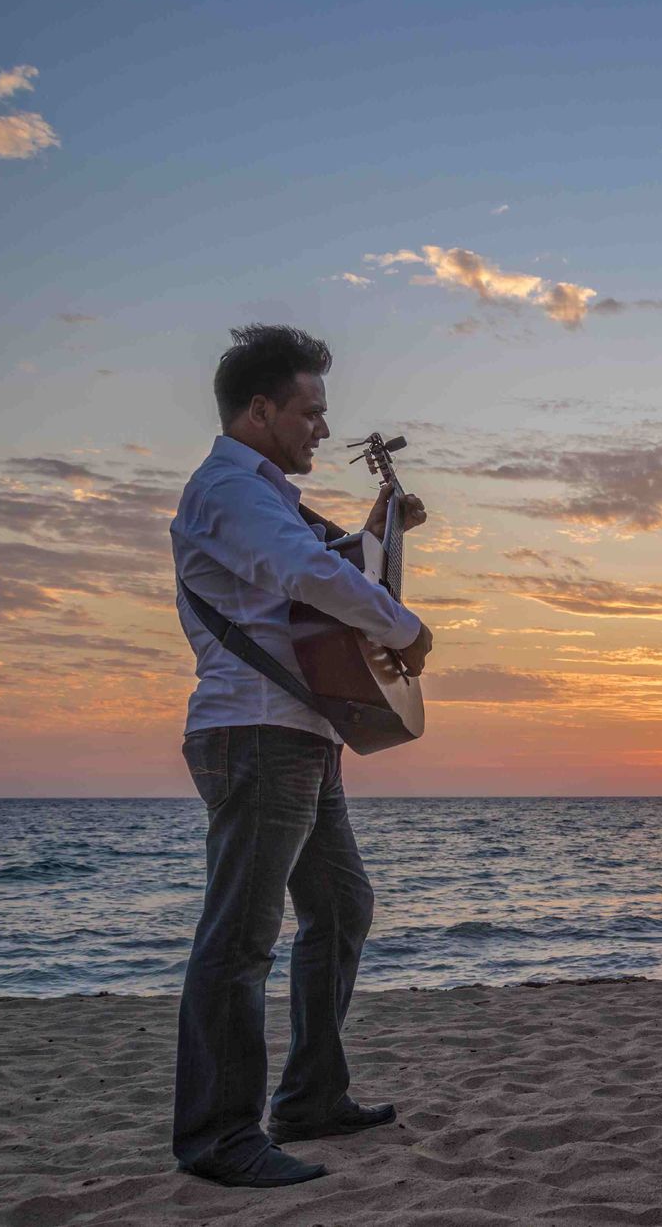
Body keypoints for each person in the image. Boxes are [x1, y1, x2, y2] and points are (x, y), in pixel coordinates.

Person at [171, 326, 433, 1188]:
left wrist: (382, 529)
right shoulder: (227, 490)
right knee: (241, 938)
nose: (322, 428)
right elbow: (302, 574)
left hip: (300, 730)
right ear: (259, 410)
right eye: (309, 412)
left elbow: (333, 569)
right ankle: (218, 1138)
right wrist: (404, 628)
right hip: (253, 731)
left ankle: (312, 1098)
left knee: (341, 905)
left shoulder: (269, 495)